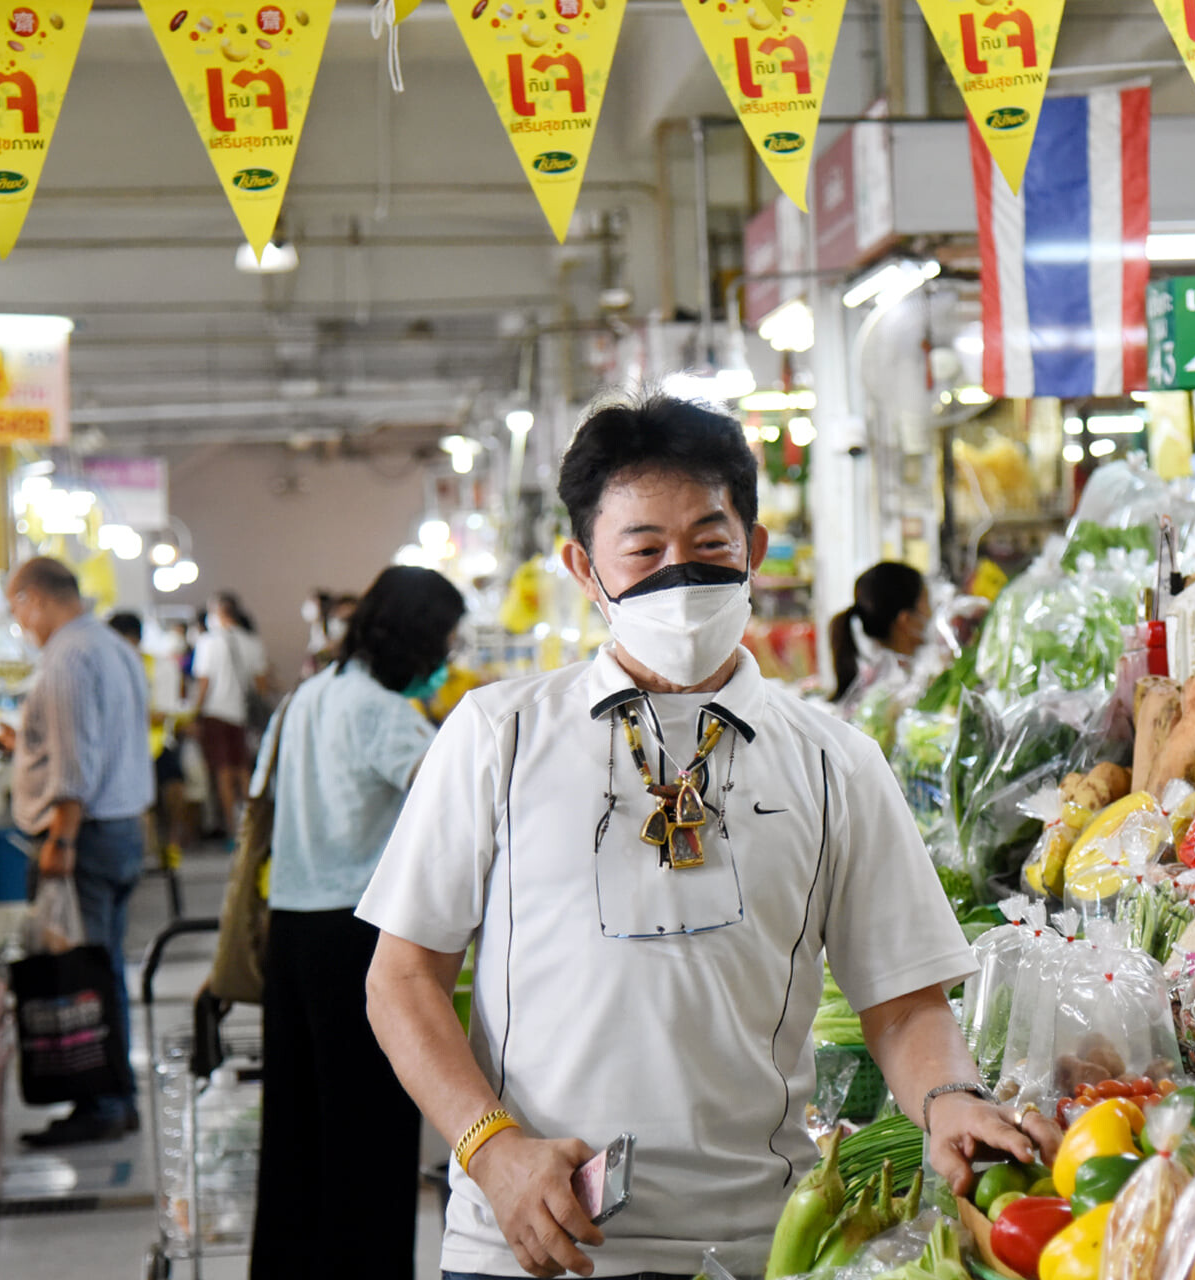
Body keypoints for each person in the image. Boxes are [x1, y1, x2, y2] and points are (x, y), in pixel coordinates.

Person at [360, 396, 1053, 1280]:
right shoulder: (500, 734)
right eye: (644, 550)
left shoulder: (836, 759)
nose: (678, 576)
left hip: (760, 1242)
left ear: (754, 550)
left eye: (709, 544)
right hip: (528, 1240)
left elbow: (905, 1000)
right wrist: (492, 1150)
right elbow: (402, 976)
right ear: (584, 567)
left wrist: (950, 1098)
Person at [250, 566, 467, 1280]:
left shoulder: (307, 696)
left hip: (290, 931)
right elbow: (452, 801)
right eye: (444, 640)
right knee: (368, 1127)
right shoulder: (380, 711)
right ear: (415, 637)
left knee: (299, 1125)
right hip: (358, 938)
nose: (448, 656)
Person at [6, 558, 154, 1146]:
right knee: (103, 968)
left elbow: (74, 763)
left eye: (18, 611)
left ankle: (105, 1101)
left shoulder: (66, 656)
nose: (21, 625)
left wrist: (60, 840)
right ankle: (116, 1095)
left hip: (84, 835)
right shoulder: (112, 645)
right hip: (119, 829)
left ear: (32, 599)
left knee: (85, 971)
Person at [190, 593, 260, 839]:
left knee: (223, 772)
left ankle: (233, 829)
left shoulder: (207, 642)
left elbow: (203, 683)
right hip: (241, 715)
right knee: (243, 770)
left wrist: (194, 714)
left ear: (218, 612)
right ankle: (252, 827)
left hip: (215, 713)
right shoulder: (251, 642)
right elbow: (259, 684)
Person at [827, 562, 930, 703]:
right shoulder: (901, 694)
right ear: (905, 620)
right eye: (927, 602)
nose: (932, 613)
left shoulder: (870, 683)